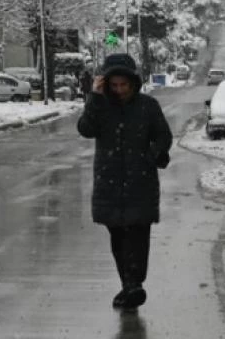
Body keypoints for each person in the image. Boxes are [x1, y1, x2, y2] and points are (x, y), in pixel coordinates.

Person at [76, 53, 172, 310]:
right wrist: (94, 97)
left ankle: (135, 283)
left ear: (133, 83)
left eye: (124, 85)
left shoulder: (148, 106)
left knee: (138, 235)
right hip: (109, 182)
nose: (119, 91)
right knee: (118, 237)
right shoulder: (100, 106)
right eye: (114, 85)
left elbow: (163, 136)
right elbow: (86, 129)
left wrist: (152, 154)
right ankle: (128, 284)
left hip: (140, 182)